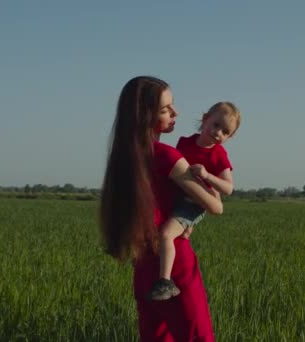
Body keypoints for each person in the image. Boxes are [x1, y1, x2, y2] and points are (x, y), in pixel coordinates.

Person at [100, 76, 222, 341]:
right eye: (166, 108)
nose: (175, 112)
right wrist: (213, 187)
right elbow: (213, 207)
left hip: (143, 267)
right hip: (174, 266)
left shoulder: (123, 160)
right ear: (146, 115)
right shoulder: (166, 155)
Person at [147, 102, 241, 301]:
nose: (218, 133)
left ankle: (165, 282)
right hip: (176, 196)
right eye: (216, 125)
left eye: (225, 132)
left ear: (229, 137)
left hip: (192, 204)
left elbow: (228, 188)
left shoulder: (219, 155)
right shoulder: (184, 143)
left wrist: (207, 176)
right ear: (205, 118)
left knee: (165, 234)